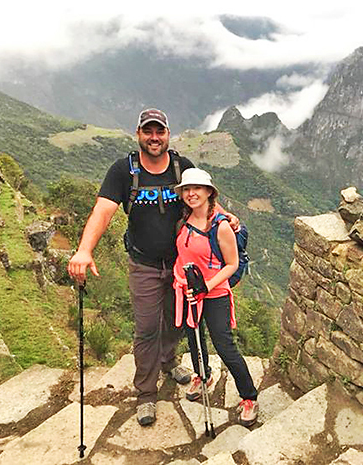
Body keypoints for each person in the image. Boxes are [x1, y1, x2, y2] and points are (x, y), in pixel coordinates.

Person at [67, 108, 237, 427]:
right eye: (149, 131)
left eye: (160, 132)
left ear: (168, 135)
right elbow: (102, 211)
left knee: (175, 322)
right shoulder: (123, 171)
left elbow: (201, 199)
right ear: (139, 134)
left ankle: (168, 361)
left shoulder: (180, 167)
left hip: (180, 266)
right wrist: (84, 250)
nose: (154, 137)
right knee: (146, 328)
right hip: (143, 263)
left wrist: (223, 216)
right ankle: (146, 393)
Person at [172, 168, 259, 427]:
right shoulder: (183, 219)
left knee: (224, 345)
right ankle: (203, 376)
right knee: (194, 340)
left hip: (214, 292)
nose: (191, 193)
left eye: (197, 188)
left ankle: (249, 397)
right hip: (186, 291)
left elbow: (231, 264)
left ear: (209, 192)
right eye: (187, 189)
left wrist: (206, 286)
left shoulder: (220, 226)